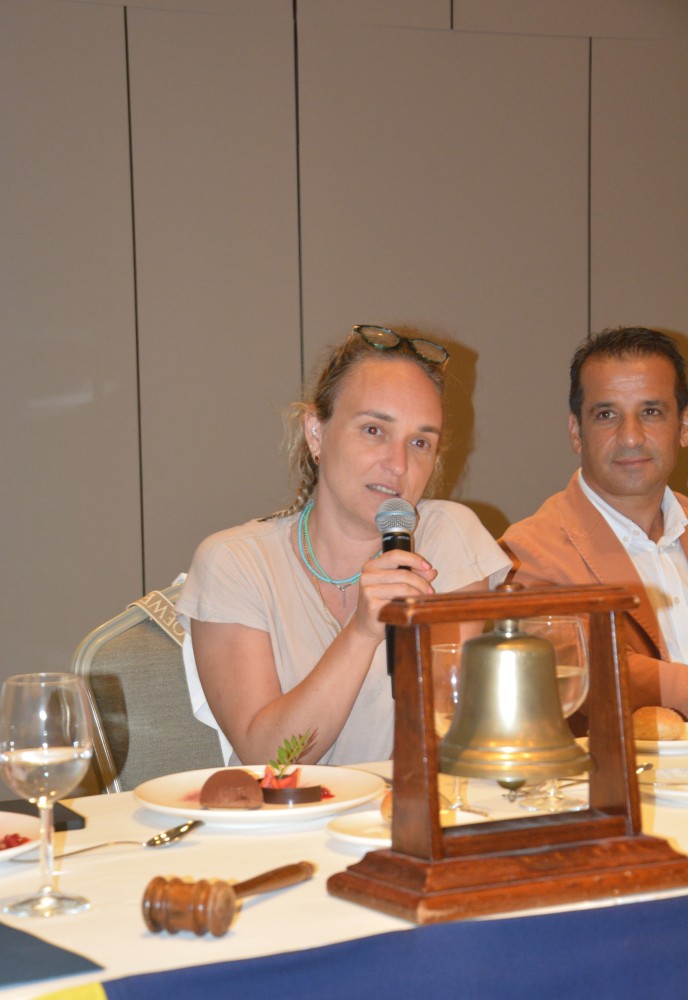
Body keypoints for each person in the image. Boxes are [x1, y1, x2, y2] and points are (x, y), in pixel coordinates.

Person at [177, 325, 511, 765]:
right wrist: (362, 631)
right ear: (316, 432)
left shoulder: (449, 538)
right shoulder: (235, 562)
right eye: (374, 430)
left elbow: (444, 732)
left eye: (420, 442)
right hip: (289, 809)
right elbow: (270, 758)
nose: (398, 465)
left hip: (411, 803)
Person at [500, 326, 688, 714]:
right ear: (576, 432)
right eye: (606, 415)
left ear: (683, 427)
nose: (631, 437)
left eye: (651, 412)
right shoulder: (526, 555)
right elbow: (579, 670)